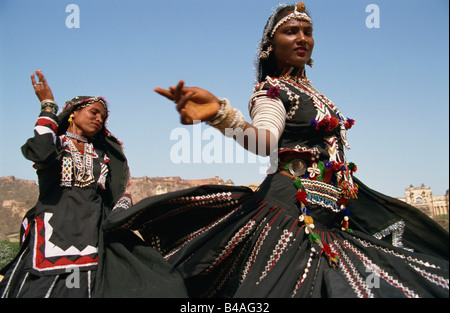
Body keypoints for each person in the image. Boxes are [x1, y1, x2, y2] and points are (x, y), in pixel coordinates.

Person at [103, 2, 449, 298]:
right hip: (290, 217)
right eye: (291, 31)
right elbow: (264, 141)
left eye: (307, 31)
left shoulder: (313, 92)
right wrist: (221, 116)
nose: (302, 38)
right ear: (271, 44)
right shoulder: (272, 91)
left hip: (332, 218)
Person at [0, 71, 187, 298]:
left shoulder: (101, 155)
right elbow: (39, 151)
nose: (99, 119)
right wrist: (48, 106)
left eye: (103, 117)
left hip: (96, 230)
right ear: (73, 113)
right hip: (56, 231)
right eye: (94, 112)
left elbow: (114, 192)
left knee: (158, 281)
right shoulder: (56, 145)